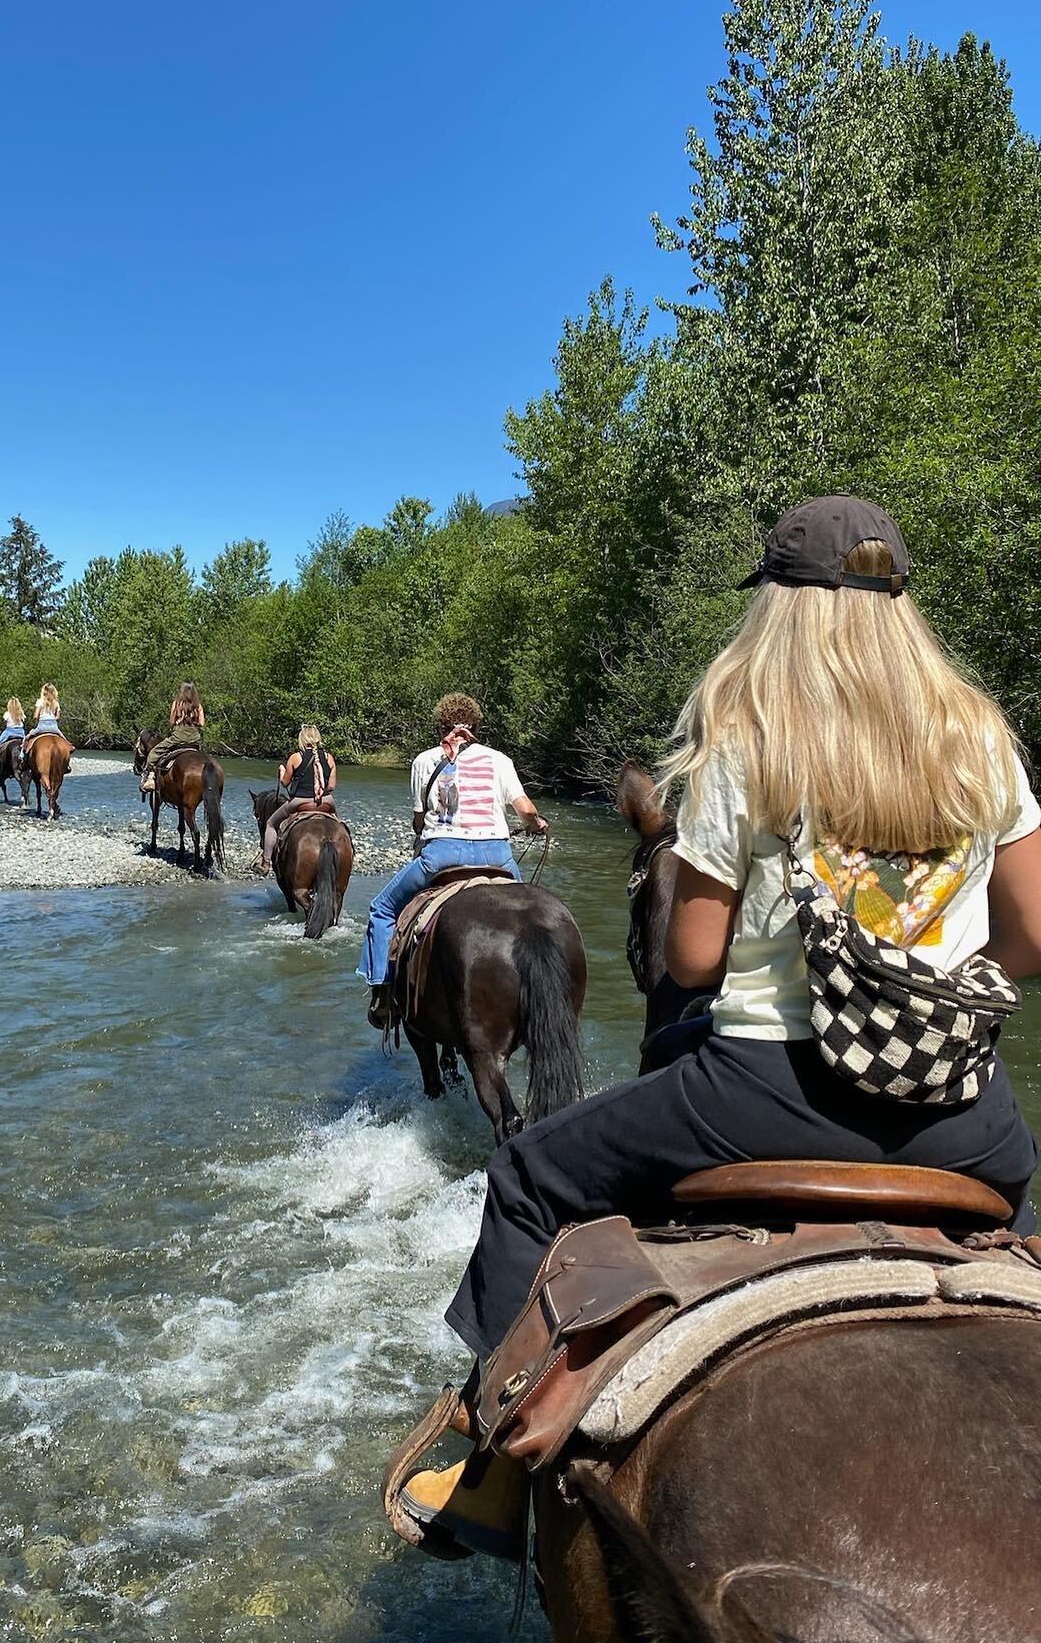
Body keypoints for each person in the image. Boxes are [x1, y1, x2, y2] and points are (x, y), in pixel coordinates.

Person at [400, 496, 1041, 1561]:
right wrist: (931, 958)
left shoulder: (752, 735)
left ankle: (494, 1468)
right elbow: (1031, 939)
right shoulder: (980, 740)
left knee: (527, 1179)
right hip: (965, 1117)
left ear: (780, 609)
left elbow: (693, 959)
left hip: (762, 1093)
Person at [358, 694, 548, 1030]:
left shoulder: (424, 761)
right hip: (497, 856)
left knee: (382, 909)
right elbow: (527, 810)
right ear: (477, 727)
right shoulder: (499, 760)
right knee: (532, 915)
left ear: (441, 727)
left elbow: (419, 820)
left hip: (442, 855)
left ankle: (384, 993)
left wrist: (425, 829)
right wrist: (537, 825)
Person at [263, 723, 339, 869]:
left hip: (300, 802)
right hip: (326, 802)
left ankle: (265, 862)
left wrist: (281, 772)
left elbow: (285, 783)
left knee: (271, 824)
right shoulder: (329, 758)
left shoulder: (295, 758)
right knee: (339, 824)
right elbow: (331, 787)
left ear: (302, 739)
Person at [140, 682, 206, 793]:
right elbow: (202, 724)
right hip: (194, 739)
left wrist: (179, 721)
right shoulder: (198, 706)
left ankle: (151, 778)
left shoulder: (177, 704)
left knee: (154, 753)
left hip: (178, 738)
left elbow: (171, 722)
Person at [22, 683, 63, 755]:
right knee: (64, 740)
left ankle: (22, 756)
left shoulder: (39, 701)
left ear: (43, 691)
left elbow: (35, 716)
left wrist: (38, 720)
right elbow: (58, 717)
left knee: (26, 738)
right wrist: (52, 718)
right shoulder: (56, 702)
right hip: (54, 727)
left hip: (42, 726)